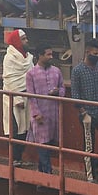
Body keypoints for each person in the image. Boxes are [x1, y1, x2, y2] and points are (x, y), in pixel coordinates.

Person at [71, 39, 98, 183]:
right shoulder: (77, 70)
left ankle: (95, 167)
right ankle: (90, 176)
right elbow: (75, 95)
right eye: (95, 53)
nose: (97, 56)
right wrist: (83, 113)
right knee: (89, 146)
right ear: (87, 52)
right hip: (88, 114)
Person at [26, 46, 63, 174]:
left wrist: (58, 92)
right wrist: (36, 114)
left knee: (49, 143)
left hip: (53, 113)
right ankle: (48, 173)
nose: (51, 57)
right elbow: (30, 96)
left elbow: (62, 88)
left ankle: (41, 172)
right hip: (40, 114)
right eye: (48, 54)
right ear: (40, 56)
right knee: (42, 143)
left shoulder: (57, 71)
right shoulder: (31, 74)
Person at [2, 29, 33, 167]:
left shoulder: (28, 57)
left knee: (25, 129)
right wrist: (18, 98)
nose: (27, 41)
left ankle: (19, 158)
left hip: (27, 96)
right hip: (13, 98)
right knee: (15, 129)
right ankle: (14, 159)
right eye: (24, 39)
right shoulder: (9, 58)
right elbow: (10, 80)